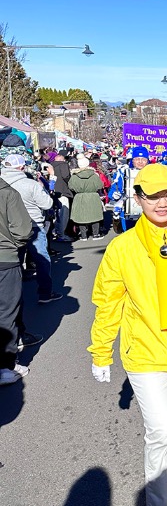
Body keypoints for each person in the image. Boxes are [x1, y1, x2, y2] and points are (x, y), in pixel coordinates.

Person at [89, 164, 167, 505]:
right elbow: (108, 304)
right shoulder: (123, 247)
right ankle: (162, 500)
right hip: (145, 352)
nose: (162, 203)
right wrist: (100, 353)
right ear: (138, 198)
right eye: (153, 196)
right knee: (162, 431)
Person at [1, 154, 62, 305]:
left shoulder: (2, 184)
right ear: (22, 167)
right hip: (33, 225)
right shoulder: (30, 184)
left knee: (14, 262)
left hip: (6, 229)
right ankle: (45, 293)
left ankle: (13, 297)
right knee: (42, 260)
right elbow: (47, 204)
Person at [0, 174, 32, 386]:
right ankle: (5, 366)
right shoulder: (8, 194)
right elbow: (22, 230)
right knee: (6, 312)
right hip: (4, 260)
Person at [110, 146, 149, 233]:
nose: (140, 161)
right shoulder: (124, 172)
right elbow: (115, 188)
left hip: (148, 210)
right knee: (129, 236)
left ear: (147, 160)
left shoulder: (152, 173)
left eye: (143, 159)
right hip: (129, 210)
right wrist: (114, 195)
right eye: (137, 159)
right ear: (132, 160)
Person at [69, 156, 105, 241]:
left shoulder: (74, 176)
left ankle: (83, 235)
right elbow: (100, 185)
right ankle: (96, 234)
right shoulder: (94, 175)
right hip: (93, 196)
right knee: (95, 216)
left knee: (81, 216)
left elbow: (70, 186)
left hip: (80, 196)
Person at [51, 150, 74, 242]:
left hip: (53, 192)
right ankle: (61, 234)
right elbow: (66, 176)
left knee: (55, 214)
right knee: (64, 214)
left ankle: (55, 232)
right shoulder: (63, 165)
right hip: (63, 191)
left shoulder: (51, 165)